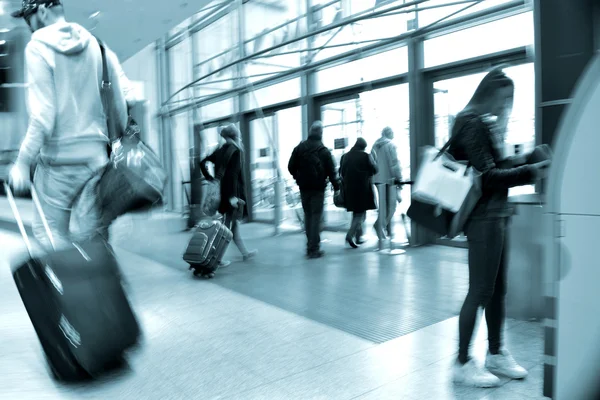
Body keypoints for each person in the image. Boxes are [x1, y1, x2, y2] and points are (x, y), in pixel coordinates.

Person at [447, 67, 551, 387]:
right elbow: (488, 177)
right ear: (490, 94)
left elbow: (495, 167)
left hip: (496, 214)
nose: (506, 107)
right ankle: (462, 361)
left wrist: (525, 161)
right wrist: (531, 172)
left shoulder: (481, 123)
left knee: (496, 291)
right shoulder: (472, 122)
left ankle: (495, 352)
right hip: (483, 217)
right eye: (505, 99)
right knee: (480, 289)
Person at [8, 0, 133, 250]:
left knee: (49, 233)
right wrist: (113, 142)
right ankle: (103, 284)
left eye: (28, 18)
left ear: (41, 12)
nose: (29, 25)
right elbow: (122, 105)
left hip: (58, 165)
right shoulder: (98, 46)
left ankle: (70, 284)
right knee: (94, 239)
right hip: (97, 162)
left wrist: (22, 163)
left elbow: (44, 114)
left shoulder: (38, 46)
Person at [200, 124, 257, 265]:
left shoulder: (220, 150)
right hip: (231, 196)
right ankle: (216, 259)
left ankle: (244, 253)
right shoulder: (235, 151)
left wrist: (210, 178)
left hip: (222, 194)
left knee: (233, 226)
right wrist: (232, 197)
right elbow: (233, 175)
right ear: (235, 135)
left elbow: (202, 162)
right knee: (225, 229)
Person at [288, 121, 340, 259]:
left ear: (310, 132)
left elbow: (290, 166)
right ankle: (313, 249)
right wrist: (337, 188)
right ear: (321, 133)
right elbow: (332, 171)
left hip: (304, 187)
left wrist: (298, 177)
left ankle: (309, 246)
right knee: (316, 217)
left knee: (308, 216)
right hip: (318, 188)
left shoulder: (299, 148)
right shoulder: (323, 151)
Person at [339, 137, 377, 248]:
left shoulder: (345, 156)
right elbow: (375, 170)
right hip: (363, 188)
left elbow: (341, 172)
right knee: (360, 214)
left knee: (357, 213)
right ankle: (350, 235)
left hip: (349, 189)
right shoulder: (366, 156)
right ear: (363, 147)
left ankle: (358, 237)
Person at [371, 127, 403, 250]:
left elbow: (372, 162)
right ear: (389, 133)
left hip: (378, 180)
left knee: (383, 207)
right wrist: (399, 177)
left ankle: (380, 226)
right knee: (392, 207)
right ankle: (380, 225)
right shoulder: (390, 145)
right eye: (393, 132)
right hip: (389, 180)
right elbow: (394, 163)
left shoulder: (375, 146)